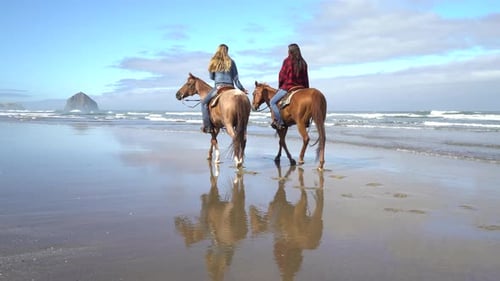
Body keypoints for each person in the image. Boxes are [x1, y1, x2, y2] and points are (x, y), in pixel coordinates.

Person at [201, 44, 247, 133]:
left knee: (203, 103)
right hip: (231, 87)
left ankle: (207, 127)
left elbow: (211, 77)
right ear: (227, 51)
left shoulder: (214, 61)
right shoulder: (231, 62)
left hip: (219, 87)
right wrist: (242, 89)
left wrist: (218, 78)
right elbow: (236, 79)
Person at [270, 43, 309, 130]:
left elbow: (282, 75)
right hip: (302, 88)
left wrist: (280, 86)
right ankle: (307, 121)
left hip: (288, 87)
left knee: (272, 102)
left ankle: (280, 122)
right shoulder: (303, 63)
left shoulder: (287, 61)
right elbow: (306, 78)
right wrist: (306, 90)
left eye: (288, 50)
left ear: (290, 52)